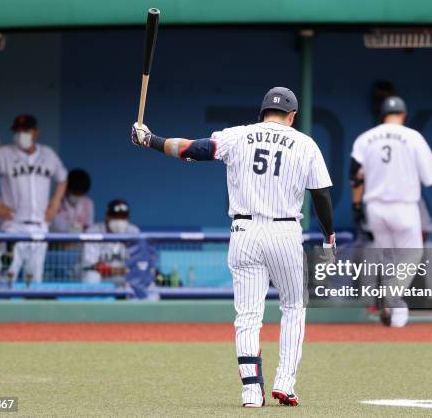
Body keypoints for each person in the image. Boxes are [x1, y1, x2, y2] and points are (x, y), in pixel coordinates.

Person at [131, 87, 335, 408]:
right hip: (285, 231)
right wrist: (329, 235)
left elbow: (191, 150)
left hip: (244, 231)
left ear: (262, 112)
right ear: (292, 116)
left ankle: (252, 392)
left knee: (248, 316)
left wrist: (149, 140)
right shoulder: (305, 143)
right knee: (294, 307)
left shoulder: (238, 135)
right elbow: (321, 195)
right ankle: (285, 383)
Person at [350, 96, 432, 327]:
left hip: (375, 208)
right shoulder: (412, 137)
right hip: (404, 207)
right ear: (403, 115)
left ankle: (395, 317)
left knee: (390, 260)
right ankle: (389, 295)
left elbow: (354, 175)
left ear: (382, 115)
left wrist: (357, 207)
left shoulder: (365, 138)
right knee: (414, 254)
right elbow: (431, 177)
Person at [0, 114, 67, 285]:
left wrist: (54, 204)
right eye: (18, 130)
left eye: (26, 130)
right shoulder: (4, 154)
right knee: (5, 279)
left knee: (34, 282)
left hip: (40, 226)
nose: (21, 133)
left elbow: (62, 178)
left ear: (36, 132)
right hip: (12, 226)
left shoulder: (48, 154)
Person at [82, 199, 139, 285]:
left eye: (123, 217)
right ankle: (91, 298)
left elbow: (139, 262)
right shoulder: (93, 232)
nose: (119, 220)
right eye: (115, 217)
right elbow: (91, 264)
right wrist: (117, 270)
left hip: (123, 277)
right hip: (101, 276)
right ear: (107, 216)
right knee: (91, 275)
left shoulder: (133, 232)